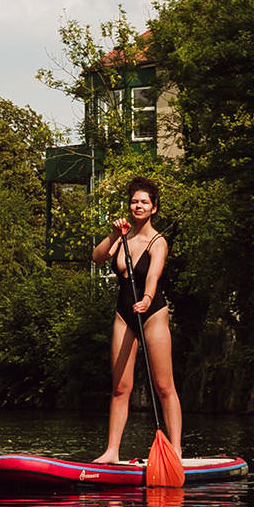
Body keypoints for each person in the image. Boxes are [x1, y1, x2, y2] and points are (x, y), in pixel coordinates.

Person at [91, 176, 182, 464]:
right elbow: (97, 258)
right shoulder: (122, 238)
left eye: (144, 202)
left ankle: (176, 449)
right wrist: (114, 235)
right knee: (121, 387)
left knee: (163, 385)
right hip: (124, 312)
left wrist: (147, 297)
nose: (138, 205)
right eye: (134, 201)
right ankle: (112, 451)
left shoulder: (158, 241)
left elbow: (153, 274)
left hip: (151, 311)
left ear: (154, 208)